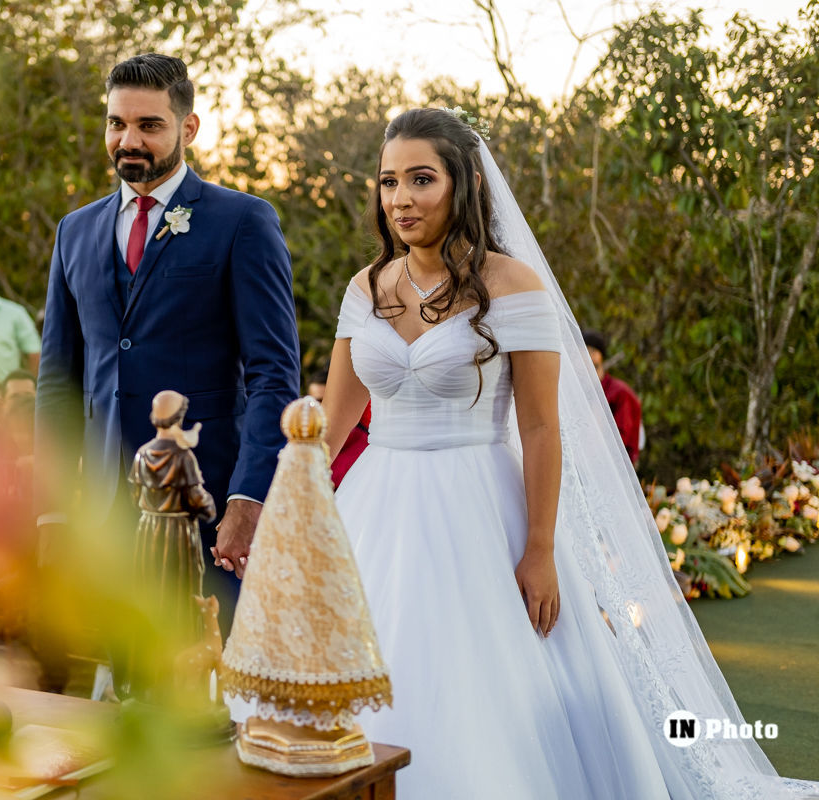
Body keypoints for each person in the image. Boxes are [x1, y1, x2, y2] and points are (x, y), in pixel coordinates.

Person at [320, 108, 817, 799]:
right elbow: (330, 425)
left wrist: (540, 549)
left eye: (421, 179)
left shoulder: (513, 285)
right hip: (374, 506)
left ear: (462, 184)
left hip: (478, 503)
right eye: (388, 181)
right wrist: (284, 512)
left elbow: (541, 431)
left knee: (477, 676)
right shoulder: (364, 288)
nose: (400, 198)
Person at [35, 53, 300, 619]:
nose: (128, 140)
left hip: (208, 508)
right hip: (103, 515)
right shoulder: (73, 231)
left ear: (188, 128)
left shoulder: (242, 221)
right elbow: (57, 382)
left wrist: (248, 499)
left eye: (148, 125)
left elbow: (274, 374)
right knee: (124, 691)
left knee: (212, 682)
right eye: (116, 123)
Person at [583, 329, 643, 466]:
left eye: (590, 351)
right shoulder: (580, 391)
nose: (585, 357)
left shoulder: (619, 392)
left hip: (614, 466)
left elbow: (621, 439)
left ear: (598, 355)